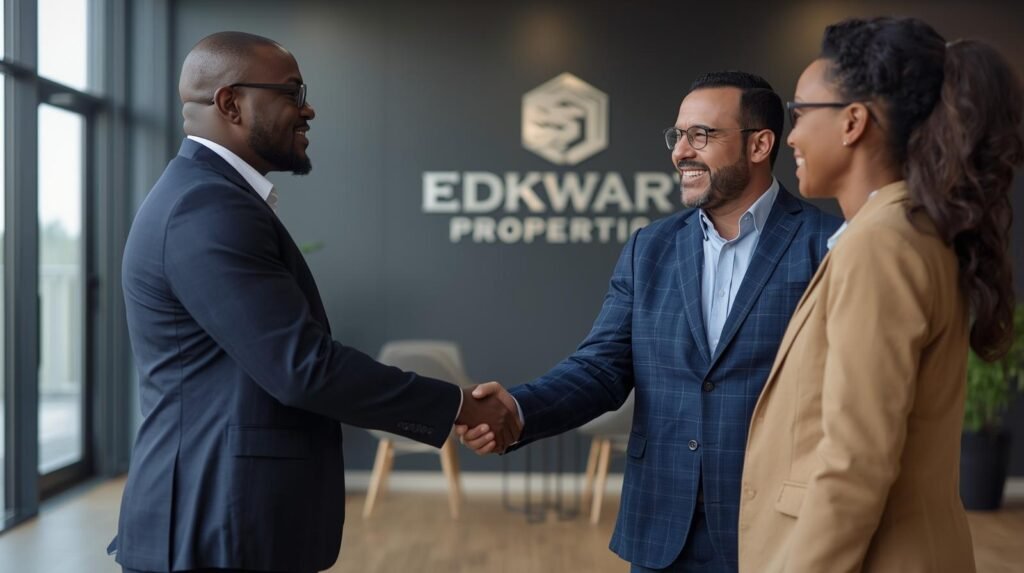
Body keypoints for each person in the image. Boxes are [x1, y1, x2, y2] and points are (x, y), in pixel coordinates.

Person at [109, 31, 518, 573]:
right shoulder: (205, 207)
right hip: (211, 527)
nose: (308, 109)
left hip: (224, 522)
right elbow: (302, 367)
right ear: (230, 103)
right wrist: (459, 406)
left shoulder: (208, 197)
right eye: (291, 92)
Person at [459, 71, 842, 572]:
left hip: (776, 529)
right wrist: (518, 408)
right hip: (661, 526)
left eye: (701, 135)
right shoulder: (650, 247)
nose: (680, 151)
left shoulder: (829, 245)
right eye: (677, 135)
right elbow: (601, 367)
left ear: (759, 145)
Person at [737, 17, 1023, 573]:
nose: (789, 136)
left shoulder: (881, 245)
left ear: (852, 121)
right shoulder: (907, 230)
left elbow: (854, 462)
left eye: (800, 113)